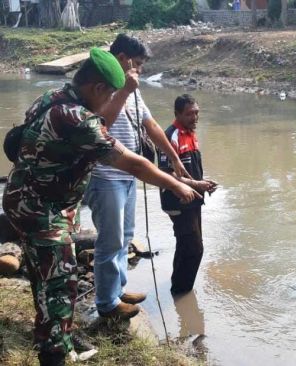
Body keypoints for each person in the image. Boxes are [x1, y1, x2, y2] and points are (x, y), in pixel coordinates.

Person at [2, 48, 199, 366]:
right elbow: (130, 163)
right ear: (97, 89)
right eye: (110, 95)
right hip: (41, 210)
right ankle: (55, 351)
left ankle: (59, 333)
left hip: (25, 198)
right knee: (60, 284)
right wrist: (175, 183)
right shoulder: (78, 119)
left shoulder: (52, 96)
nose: (111, 102)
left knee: (44, 277)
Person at [84, 34, 190, 320]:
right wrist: (125, 90)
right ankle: (106, 303)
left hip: (128, 176)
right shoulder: (104, 87)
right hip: (105, 175)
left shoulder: (134, 90)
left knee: (125, 236)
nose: (140, 70)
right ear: (122, 59)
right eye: (138, 63)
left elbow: (151, 124)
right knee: (111, 239)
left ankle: (117, 290)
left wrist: (174, 158)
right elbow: (103, 123)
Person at [159, 94, 217, 295]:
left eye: (196, 113)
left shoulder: (191, 133)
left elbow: (191, 168)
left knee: (185, 245)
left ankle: (178, 285)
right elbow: (167, 174)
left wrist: (204, 184)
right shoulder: (170, 136)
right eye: (189, 114)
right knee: (194, 249)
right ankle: (182, 294)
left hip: (193, 199)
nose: (195, 118)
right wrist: (196, 184)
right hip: (177, 199)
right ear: (177, 114)